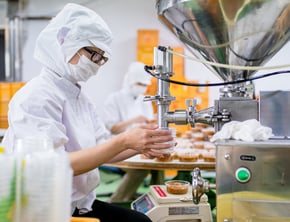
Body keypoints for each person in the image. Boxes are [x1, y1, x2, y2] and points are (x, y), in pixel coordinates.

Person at [2, 3, 173, 222]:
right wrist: (125, 141)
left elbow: (101, 147)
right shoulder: (37, 95)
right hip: (43, 209)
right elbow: (54, 164)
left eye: (102, 58)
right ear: (64, 42)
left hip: (78, 203)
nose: (97, 64)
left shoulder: (80, 98)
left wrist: (140, 144)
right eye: (93, 54)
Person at [102, 61, 164, 203]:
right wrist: (134, 120)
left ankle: (159, 200)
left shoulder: (145, 100)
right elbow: (112, 129)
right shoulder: (115, 99)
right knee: (139, 170)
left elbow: (149, 123)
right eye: (139, 84)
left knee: (158, 165)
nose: (142, 88)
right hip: (119, 148)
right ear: (130, 80)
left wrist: (153, 123)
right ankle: (118, 201)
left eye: (144, 85)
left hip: (141, 146)